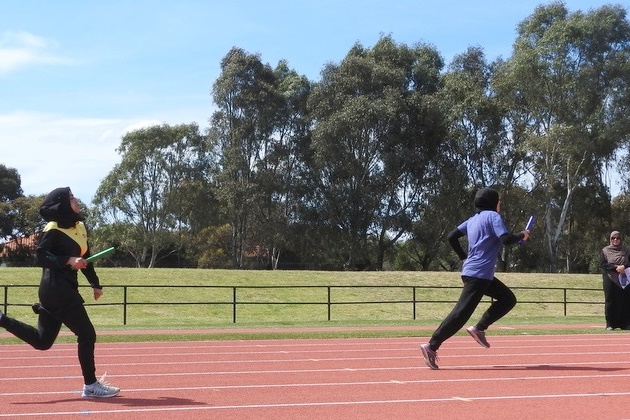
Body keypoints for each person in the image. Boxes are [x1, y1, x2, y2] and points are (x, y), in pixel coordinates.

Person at [0, 187, 120, 398]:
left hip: (59, 291)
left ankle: (1, 319)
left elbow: (87, 257)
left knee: (42, 341)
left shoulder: (80, 227)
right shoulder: (53, 229)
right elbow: (40, 256)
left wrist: (95, 284)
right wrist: (67, 260)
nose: (76, 199)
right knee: (87, 334)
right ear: (63, 204)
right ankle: (91, 385)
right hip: (57, 290)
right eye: (71, 197)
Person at [420, 187, 530, 369]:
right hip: (478, 276)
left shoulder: (473, 220)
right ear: (494, 203)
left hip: (476, 273)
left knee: (508, 299)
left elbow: (452, 237)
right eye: (499, 201)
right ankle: (431, 346)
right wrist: (521, 235)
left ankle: (479, 328)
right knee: (460, 314)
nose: (500, 204)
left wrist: (464, 257)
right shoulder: (493, 217)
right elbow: (505, 239)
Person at [599, 231, 630, 330]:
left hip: (624, 279)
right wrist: (615, 268)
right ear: (610, 239)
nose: (615, 240)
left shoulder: (626, 250)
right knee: (611, 301)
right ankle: (610, 324)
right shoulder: (605, 251)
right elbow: (603, 264)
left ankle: (625, 324)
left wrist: (624, 267)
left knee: (624, 301)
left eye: (617, 238)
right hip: (610, 279)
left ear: (621, 239)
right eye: (613, 238)